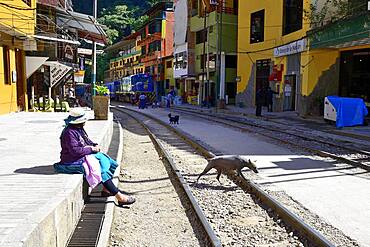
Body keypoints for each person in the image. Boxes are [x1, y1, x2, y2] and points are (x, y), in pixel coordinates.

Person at [54, 109, 135, 206]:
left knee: (109, 161)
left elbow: (87, 141)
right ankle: (119, 196)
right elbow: (75, 151)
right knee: (100, 169)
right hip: (72, 161)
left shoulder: (78, 129)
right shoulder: (69, 133)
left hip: (81, 156)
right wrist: (91, 149)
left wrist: (94, 145)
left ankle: (106, 189)